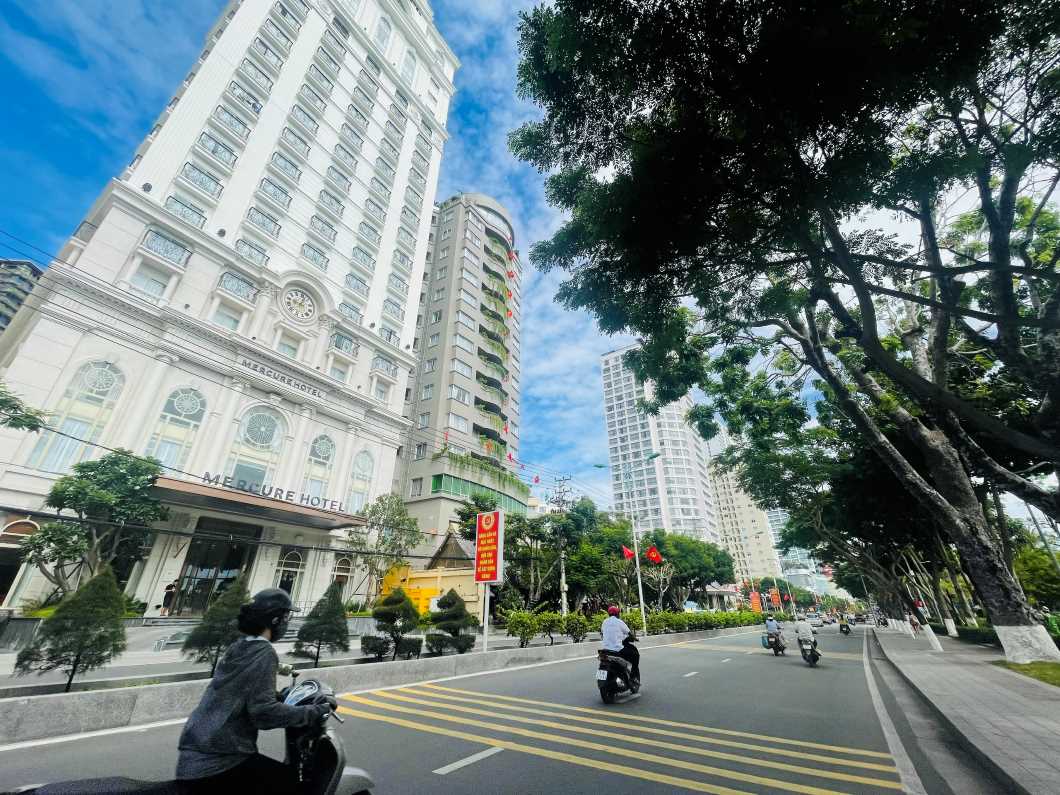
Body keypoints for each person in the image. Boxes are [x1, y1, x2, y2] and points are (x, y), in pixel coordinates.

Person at [176, 588, 335, 794]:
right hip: (221, 759)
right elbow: (264, 714)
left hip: (195, 750)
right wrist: (315, 711)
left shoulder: (239, 646)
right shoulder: (265, 652)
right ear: (276, 620)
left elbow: (239, 689)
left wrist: (279, 696)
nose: (287, 622)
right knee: (289, 782)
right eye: (286, 616)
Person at [601, 605, 640, 683]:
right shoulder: (619, 622)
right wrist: (635, 638)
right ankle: (633, 676)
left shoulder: (604, 622)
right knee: (635, 655)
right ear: (617, 614)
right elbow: (629, 633)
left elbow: (602, 632)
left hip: (605, 650)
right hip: (617, 649)